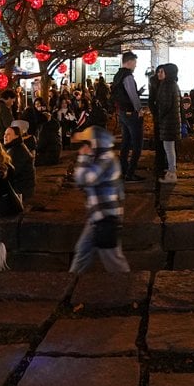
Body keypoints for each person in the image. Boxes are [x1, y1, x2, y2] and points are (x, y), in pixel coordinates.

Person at [69, 126, 130, 273]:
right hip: (96, 216)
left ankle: (125, 288)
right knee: (82, 251)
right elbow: (80, 181)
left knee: (113, 259)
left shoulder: (107, 159)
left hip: (106, 215)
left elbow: (86, 179)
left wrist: (83, 158)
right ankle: (70, 285)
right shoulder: (99, 158)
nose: (86, 145)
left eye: (88, 142)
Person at [111, 51, 145, 181]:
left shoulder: (118, 75)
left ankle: (123, 170)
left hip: (122, 113)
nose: (136, 65)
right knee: (137, 144)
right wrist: (139, 109)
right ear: (129, 62)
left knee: (125, 142)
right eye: (135, 63)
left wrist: (138, 92)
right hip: (131, 114)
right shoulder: (128, 76)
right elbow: (132, 95)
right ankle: (130, 173)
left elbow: (123, 94)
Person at [157, 63, 181, 183]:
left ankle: (172, 174)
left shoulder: (167, 85)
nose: (159, 74)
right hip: (172, 121)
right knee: (170, 147)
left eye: (162, 71)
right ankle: (171, 170)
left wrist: (158, 116)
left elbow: (165, 105)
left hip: (168, 121)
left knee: (169, 148)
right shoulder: (172, 84)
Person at [3, 122, 36, 204]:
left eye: (8, 134)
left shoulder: (17, 151)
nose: (5, 136)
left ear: (17, 136)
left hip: (21, 189)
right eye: (5, 134)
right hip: (22, 186)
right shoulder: (15, 147)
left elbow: (11, 173)